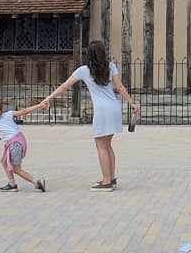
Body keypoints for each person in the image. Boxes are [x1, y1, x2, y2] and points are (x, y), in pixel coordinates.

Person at [40, 40, 139, 192]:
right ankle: (111, 178)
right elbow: (119, 87)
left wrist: (48, 98)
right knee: (108, 145)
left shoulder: (83, 70)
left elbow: (64, 86)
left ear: (89, 55)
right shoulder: (111, 66)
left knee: (101, 146)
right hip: (114, 108)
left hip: (102, 111)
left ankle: (106, 182)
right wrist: (131, 103)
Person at [0, 99, 48, 192]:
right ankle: (12, 184)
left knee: (16, 169)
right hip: (19, 140)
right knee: (4, 161)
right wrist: (39, 105)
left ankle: (37, 183)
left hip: (14, 144)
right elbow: (24, 111)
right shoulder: (8, 114)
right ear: (0, 109)